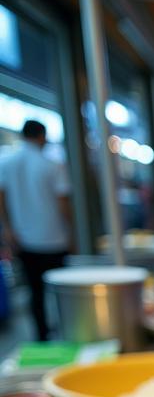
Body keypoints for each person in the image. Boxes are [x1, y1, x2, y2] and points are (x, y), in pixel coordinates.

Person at [0, 119, 72, 340]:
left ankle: (41, 337)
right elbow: (63, 204)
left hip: (24, 238)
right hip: (54, 238)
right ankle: (66, 334)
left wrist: (8, 229)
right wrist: (72, 233)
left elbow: (1, 199)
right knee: (62, 293)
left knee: (35, 292)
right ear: (42, 136)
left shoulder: (6, 163)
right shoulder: (52, 164)